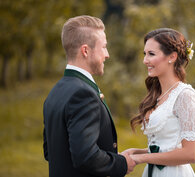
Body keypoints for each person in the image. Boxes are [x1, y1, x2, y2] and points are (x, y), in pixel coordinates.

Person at [43, 15, 135, 177]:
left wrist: (111, 155)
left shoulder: (56, 91)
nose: (107, 54)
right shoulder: (83, 94)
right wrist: (121, 163)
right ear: (85, 50)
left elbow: (50, 152)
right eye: (104, 47)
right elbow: (86, 157)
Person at [126, 28, 195, 177]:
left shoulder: (185, 96)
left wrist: (140, 158)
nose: (145, 60)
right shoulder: (158, 95)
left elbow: (191, 154)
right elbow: (164, 148)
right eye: (145, 54)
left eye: (151, 54)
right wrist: (134, 151)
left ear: (172, 57)